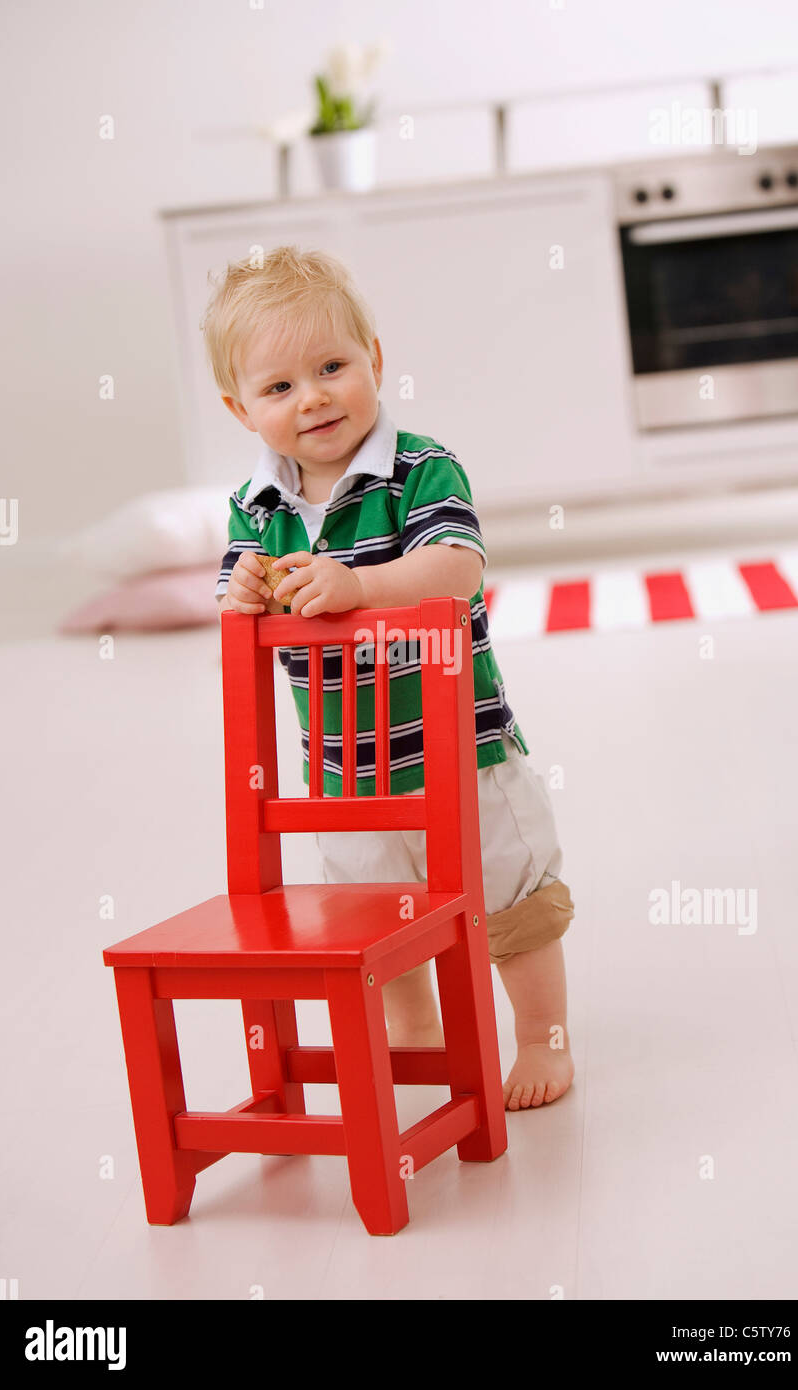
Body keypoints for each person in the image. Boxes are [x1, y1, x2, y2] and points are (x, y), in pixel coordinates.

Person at [203, 245, 575, 1111]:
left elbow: (458, 569)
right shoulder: (252, 509)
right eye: (281, 387)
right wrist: (244, 591)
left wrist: (361, 586)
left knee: (513, 904)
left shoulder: (420, 467)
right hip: (346, 773)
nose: (316, 397)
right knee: (382, 914)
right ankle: (417, 1045)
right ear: (241, 407)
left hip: (463, 752)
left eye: (332, 366)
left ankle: (539, 1036)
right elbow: (235, 601)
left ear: (374, 357)